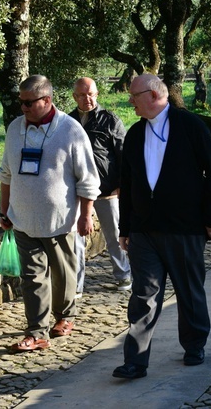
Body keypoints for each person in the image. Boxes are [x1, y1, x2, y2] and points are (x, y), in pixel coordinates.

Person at [112, 74, 211, 380]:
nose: (130, 101)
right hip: (144, 229)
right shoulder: (135, 134)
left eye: (134, 95)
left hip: (184, 226)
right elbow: (128, 182)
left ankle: (194, 344)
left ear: (154, 95)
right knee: (143, 295)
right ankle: (135, 361)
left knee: (189, 290)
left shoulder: (189, 125)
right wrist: (125, 227)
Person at [0, 75, 100, 352]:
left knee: (63, 274)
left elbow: (88, 179)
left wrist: (86, 215)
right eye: (21, 102)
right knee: (32, 279)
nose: (24, 108)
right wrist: (4, 210)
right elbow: (6, 174)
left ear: (47, 100)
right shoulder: (15, 129)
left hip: (60, 221)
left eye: (29, 103)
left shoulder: (70, 130)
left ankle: (66, 315)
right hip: (23, 220)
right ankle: (36, 332)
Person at [69, 77, 132, 293]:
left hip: (107, 189)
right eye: (82, 95)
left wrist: (121, 184)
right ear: (74, 96)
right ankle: (76, 285)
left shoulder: (110, 120)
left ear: (97, 94)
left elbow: (124, 154)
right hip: (76, 190)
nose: (87, 98)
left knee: (114, 234)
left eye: (91, 94)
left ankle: (123, 276)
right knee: (76, 238)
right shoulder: (68, 122)